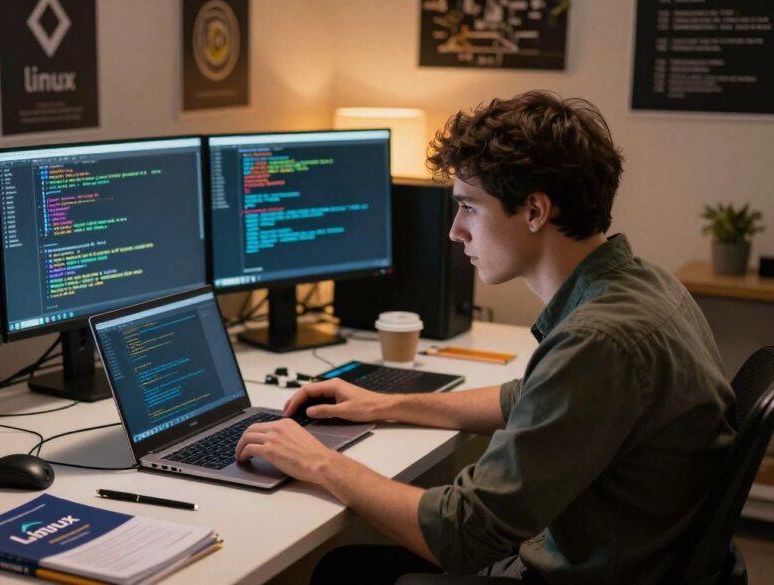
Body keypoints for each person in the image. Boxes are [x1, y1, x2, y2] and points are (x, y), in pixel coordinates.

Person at [234, 90, 736, 584]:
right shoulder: (643, 284)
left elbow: (461, 533)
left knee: (343, 571)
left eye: (470, 207)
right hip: (633, 557)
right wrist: (384, 404)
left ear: (536, 211)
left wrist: (318, 462)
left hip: (585, 572)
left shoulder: (600, 341)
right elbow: (530, 399)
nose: (455, 231)